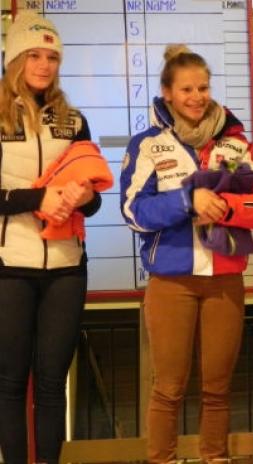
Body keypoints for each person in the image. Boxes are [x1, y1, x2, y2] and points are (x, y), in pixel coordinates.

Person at [120, 44, 253, 462]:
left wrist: (227, 206)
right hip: (171, 281)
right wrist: (188, 201)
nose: (196, 97)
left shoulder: (234, 145)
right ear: (167, 93)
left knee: (218, 388)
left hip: (225, 279)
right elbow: (133, 211)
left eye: (203, 88)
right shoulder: (148, 145)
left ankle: (215, 457)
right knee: (169, 387)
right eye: (186, 89)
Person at [0, 12, 104, 464]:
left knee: (51, 382)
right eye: (34, 55)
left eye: (52, 57)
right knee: (9, 383)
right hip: (9, 267)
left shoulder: (73, 120)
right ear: (14, 58)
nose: (44, 65)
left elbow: (94, 203)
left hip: (66, 267)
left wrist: (84, 197)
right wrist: (38, 197)